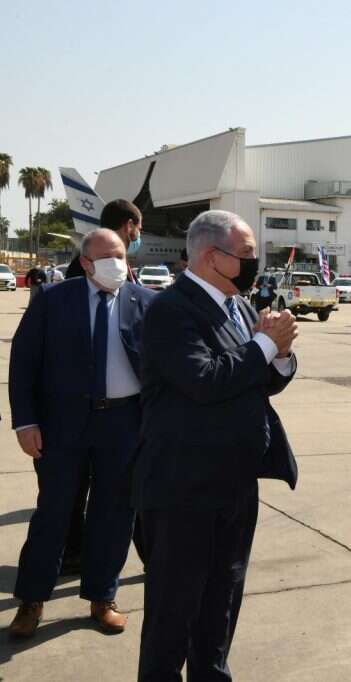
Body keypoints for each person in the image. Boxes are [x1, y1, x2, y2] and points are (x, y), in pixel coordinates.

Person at [134, 210, 299, 681]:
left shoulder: (239, 307)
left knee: (221, 605)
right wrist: (265, 345)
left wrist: (280, 356)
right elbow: (204, 380)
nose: (254, 262)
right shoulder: (171, 310)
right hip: (182, 488)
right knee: (173, 614)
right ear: (212, 257)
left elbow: (253, 381)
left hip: (234, 484)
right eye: (246, 254)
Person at [7, 228, 156, 639]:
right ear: (86, 263)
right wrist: (25, 422)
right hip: (63, 425)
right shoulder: (53, 301)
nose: (118, 264)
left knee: (115, 514)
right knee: (54, 512)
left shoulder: (146, 302)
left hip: (124, 424)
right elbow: (23, 364)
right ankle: (32, 600)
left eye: (122, 255)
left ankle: (101, 597)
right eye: (107, 257)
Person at [63, 199, 146, 574]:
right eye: (138, 229)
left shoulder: (125, 272)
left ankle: (97, 565)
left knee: (120, 493)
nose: (137, 237)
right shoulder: (83, 271)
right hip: (82, 407)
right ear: (130, 225)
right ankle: (71, 554)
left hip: (123, 411)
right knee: (71, 493)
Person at [66, 199, 143, 282]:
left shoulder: (121, 263)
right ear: (130, 226)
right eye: (139, 229)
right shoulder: (86, 265)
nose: (139, 235)